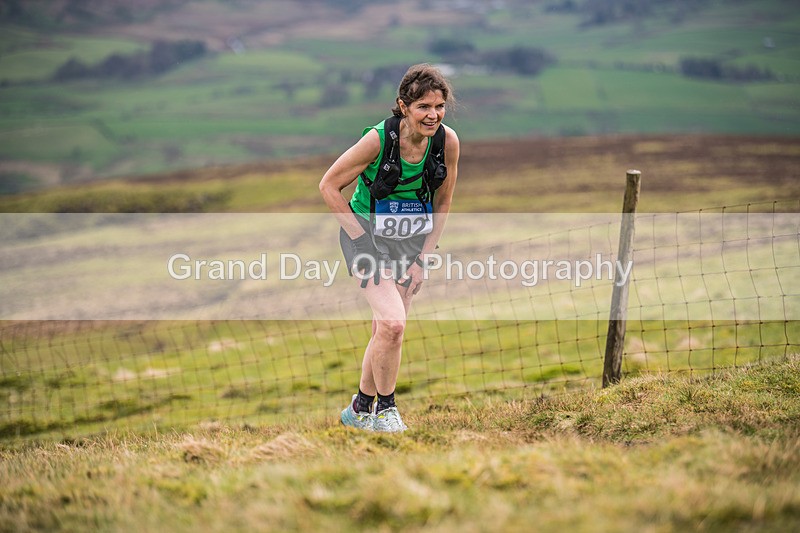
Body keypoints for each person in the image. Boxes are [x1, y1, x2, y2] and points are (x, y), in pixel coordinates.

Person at [319, 63, 460, 432]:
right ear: (403, 106)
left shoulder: (448, 142)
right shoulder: (379, 141)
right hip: (364, 237)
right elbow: (328, 186)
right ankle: (386, 410)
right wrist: (362, 242)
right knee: (394, 324)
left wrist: (423, 260)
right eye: (423, 107)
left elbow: (443, 203)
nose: (433, 115)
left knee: (385, 329)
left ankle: (358, 410)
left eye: (439, 107)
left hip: (411, 245)